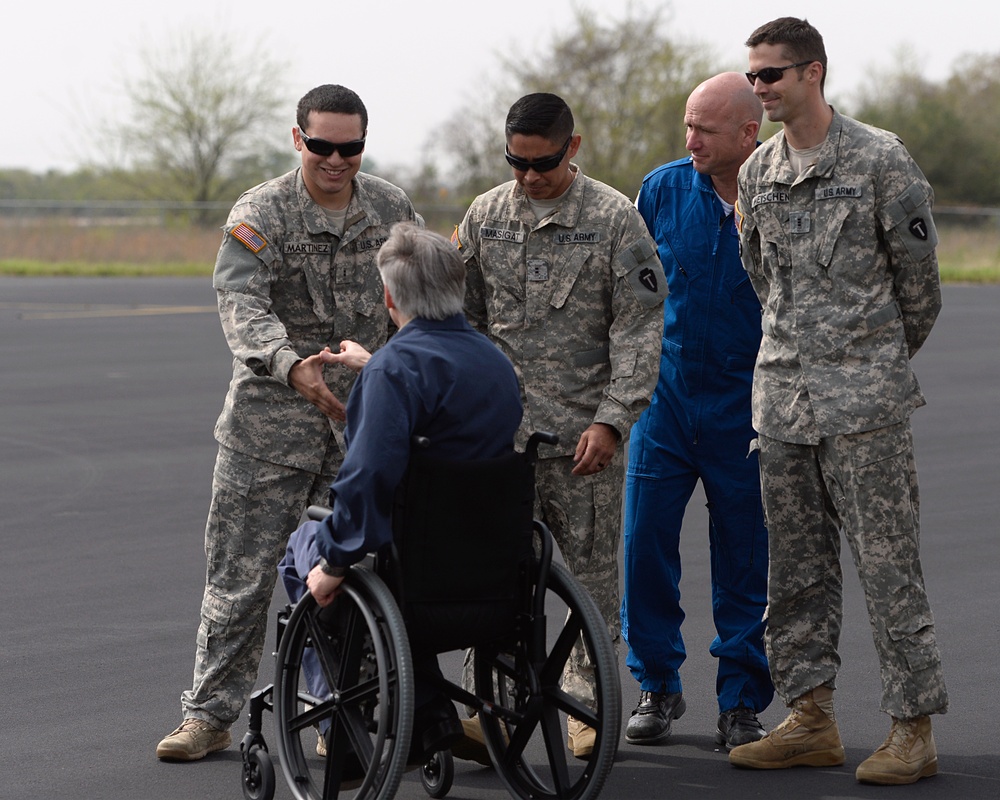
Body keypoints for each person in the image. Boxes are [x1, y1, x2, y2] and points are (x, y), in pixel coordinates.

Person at [156, 84, 420, 762]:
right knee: (237, 578)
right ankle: (209, 715)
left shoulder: (392, 208)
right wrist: (287, 362)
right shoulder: (261, 211)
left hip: (360, 429)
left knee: (349, 576)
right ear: (298, 139)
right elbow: (240, 302)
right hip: (267, 431)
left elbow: (416, 299)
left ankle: (339, 716)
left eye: (351, 147)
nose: (337, 160)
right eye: (323, 146)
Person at [728, 17, 948, 785]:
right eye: (751, 76)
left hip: (865, 406)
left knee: (888, 567)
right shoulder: (757, 173)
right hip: (783, 400)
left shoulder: (881, 160)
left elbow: (919, 290)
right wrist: (802, 360)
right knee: (794, 571)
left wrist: (868, 361)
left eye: (771, 76)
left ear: (813, 73)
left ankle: (911, 729)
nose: (758, 89)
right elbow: (765, 281)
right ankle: (810, 717)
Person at [454, 92, 668, 758]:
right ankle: (492, 702)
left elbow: (639, 328)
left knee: (589, 584)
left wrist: (612, 420)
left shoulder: (613, 220)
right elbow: (462, 320)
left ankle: (587, 706)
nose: (527, 176)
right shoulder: (486, 215)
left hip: (582, 442)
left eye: (541, 163)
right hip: (500, 442)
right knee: (491, 579)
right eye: (515, 161)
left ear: (571, 148)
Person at [278, 221, 524, 763]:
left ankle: (337, 718)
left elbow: (368, 479)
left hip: (416, 582)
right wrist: (381, 365)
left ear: (389, 296)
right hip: (496, 576)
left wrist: (336, 564)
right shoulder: (497, 365)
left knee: (306, 547)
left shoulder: (394, 372)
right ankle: (430, 708)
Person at [620, 73, 774, 751]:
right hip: (667, 400)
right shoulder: (660, 190)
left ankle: (741, 700)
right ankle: (656, 683)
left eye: (705, 130)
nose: (691, 141)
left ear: (749, 133)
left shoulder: (780, 194)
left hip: (747, 405)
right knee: (645, 544)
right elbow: (628, 291)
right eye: (687, 125)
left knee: (744, 555)